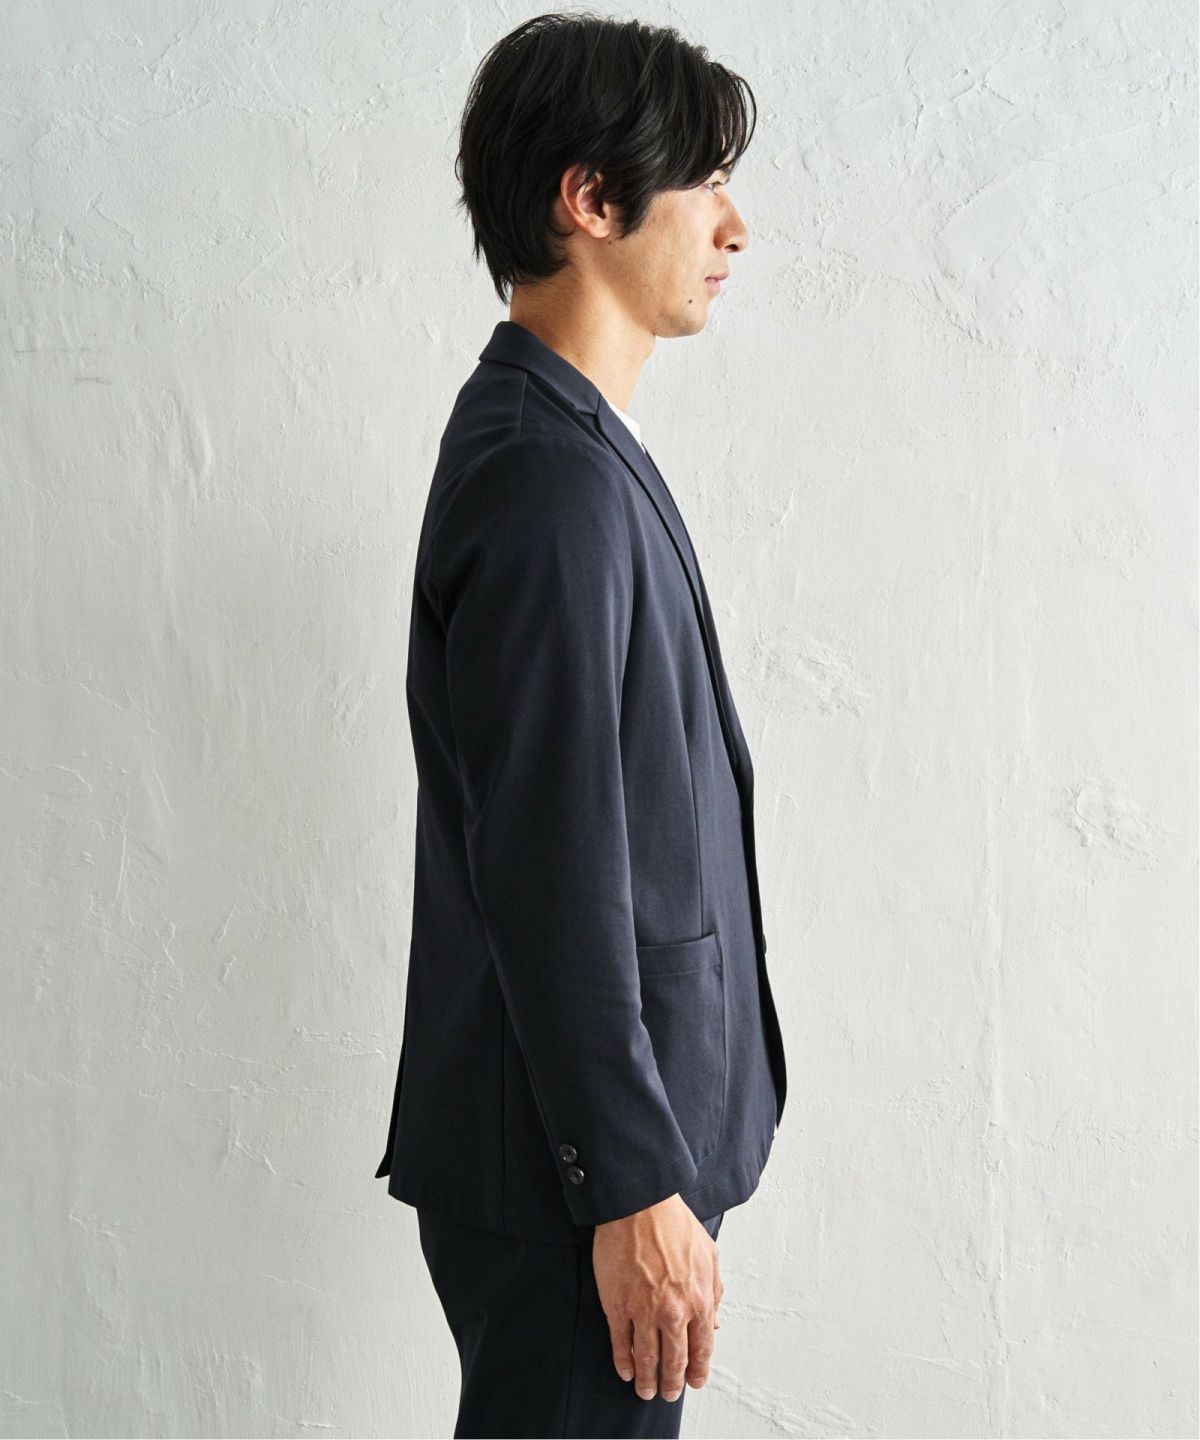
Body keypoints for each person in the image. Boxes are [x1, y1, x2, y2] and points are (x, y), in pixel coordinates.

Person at [373, 13, 787, 1437]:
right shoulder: (545, 480)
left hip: (592, 1167)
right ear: (592, 200)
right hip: (583, 1184)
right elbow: (548, 863)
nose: (734, 228)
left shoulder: (569, 450)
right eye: (705, 183)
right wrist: (627, 1181)